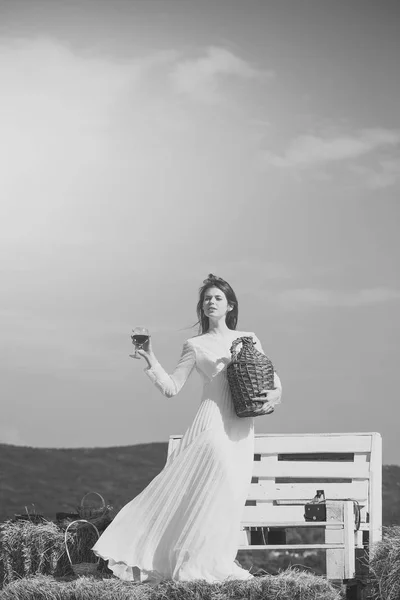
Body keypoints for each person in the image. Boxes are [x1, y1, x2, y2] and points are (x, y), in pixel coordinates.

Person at [92, 274, 282, 583]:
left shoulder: (250, 338)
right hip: (213, 426)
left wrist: (275, 396)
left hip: (243, 428)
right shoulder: (194, 345)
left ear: (230, 305)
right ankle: (195, 568)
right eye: (206, 298)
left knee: (231, 496)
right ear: (201, 306)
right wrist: (150, 357)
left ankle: (217, 561)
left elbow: (274, 382)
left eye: (217, 297)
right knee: (216, 490)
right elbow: (171, 388)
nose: (211, 302)